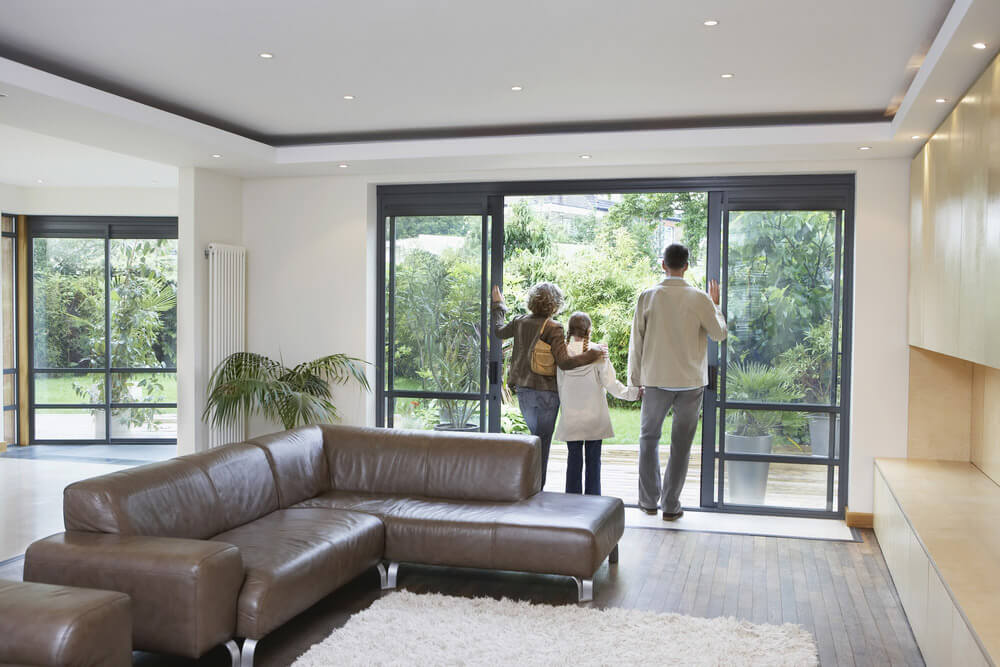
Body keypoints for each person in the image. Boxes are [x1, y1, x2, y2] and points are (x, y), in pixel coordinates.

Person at [628, 243, 727, 520]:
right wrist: (716, 306)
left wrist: (635, 381)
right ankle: (670, 506)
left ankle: (648, 501)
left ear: (663, 265)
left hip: (656, 379)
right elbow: (719, 334)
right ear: (686, 266)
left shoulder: (647, 296)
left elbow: (637, 343)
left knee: (648, 439)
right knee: (681, 445)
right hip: (690, 383)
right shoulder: (700, 299)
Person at [492, 283, 605, 486]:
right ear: (555, 304)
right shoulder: (554, 328)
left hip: (524, 391)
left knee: (535, 440)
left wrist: (499, 305)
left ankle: (529, 484)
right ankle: (536, 488)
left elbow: (499, 332)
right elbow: (565, 362)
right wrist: (591, 355)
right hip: (547, 393)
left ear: (532, 300)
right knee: (542, 443)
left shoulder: (519, 321)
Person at [555, 312, 640, 495]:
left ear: (569, 330)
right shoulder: (598, 352)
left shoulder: (561, 354)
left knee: (573, 461)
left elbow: (559, 385)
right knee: (594, 461)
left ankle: (572, 501)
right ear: (589, 330)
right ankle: (593, 501)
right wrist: (632, 394)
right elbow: (611, 385)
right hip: (594, 417)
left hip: (571, 417)